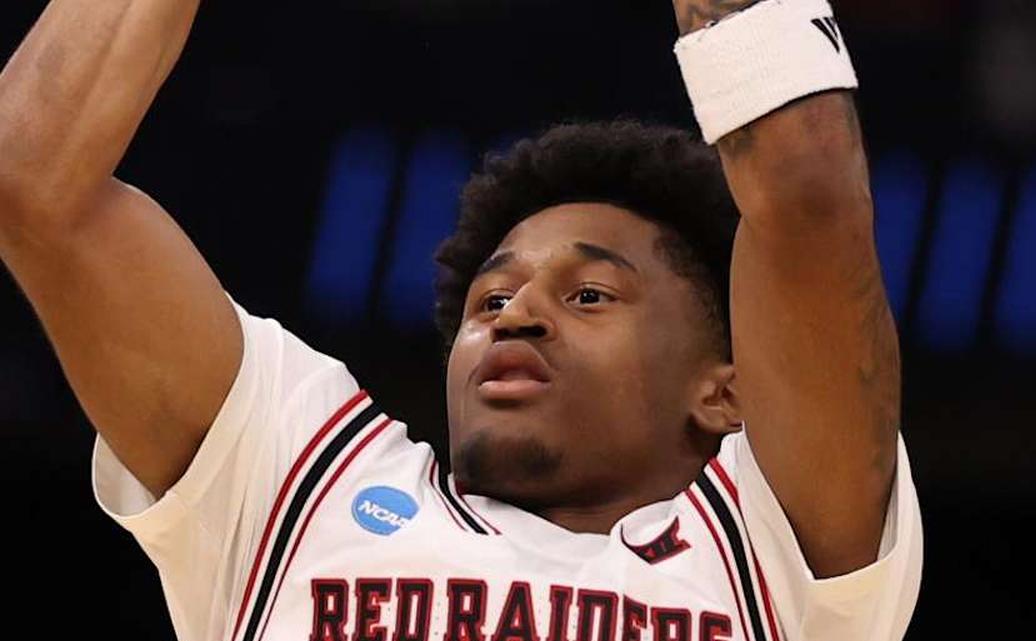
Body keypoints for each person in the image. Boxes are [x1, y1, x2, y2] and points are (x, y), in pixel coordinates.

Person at [0, 1, 922, 640]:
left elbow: (806, 187)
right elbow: (36, 183)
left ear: (726, 392)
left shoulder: (771, 550)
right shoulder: (297, 483)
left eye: (589, 295)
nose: (518, 314)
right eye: (491, 300)